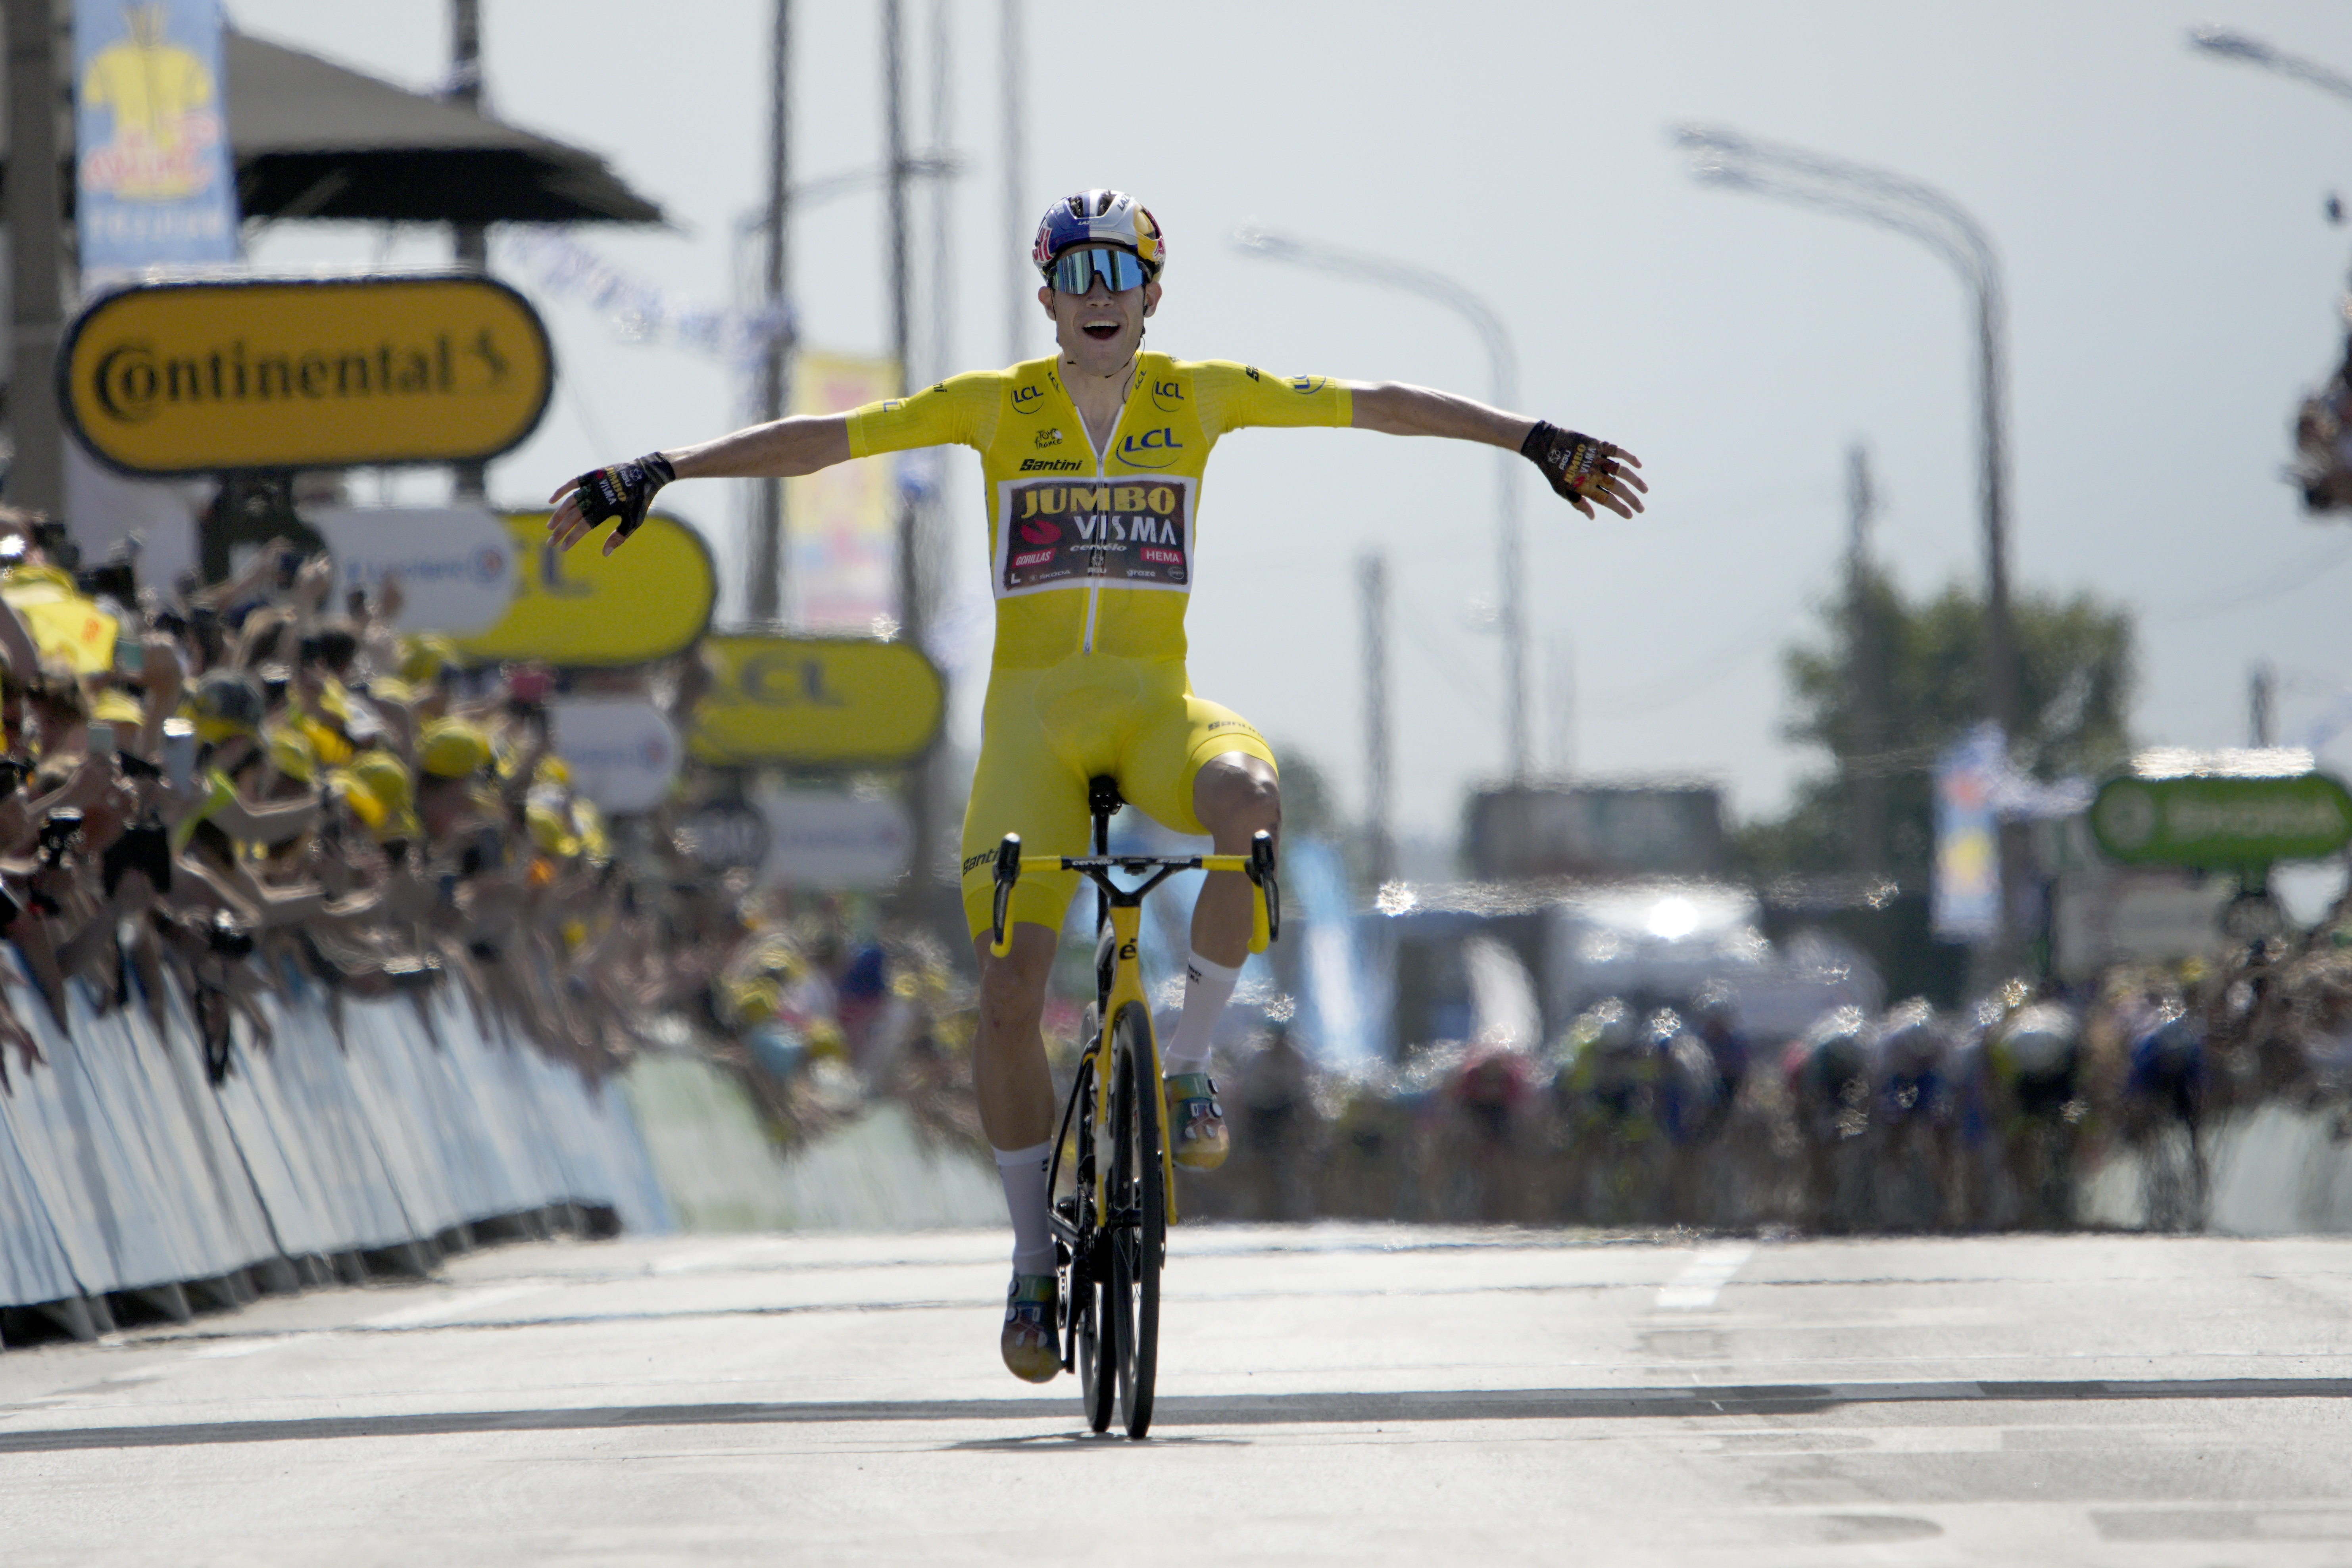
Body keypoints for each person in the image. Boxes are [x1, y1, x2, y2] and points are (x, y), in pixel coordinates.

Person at [547, 188, 1647, 1383]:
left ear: (1154, 294)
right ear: (1050, 297)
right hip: (1033, 735)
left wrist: (1535, 440)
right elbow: (830, 439)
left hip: (1155, 710)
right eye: (1079, 273)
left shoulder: (1201, 395)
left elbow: (1376, 407)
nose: (1102, 292)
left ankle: (1184, 1069)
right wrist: (662, 468)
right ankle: (1029, 1263)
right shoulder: (995, 407)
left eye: (1124, 272)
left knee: (1251, 805)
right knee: (1011, 992)